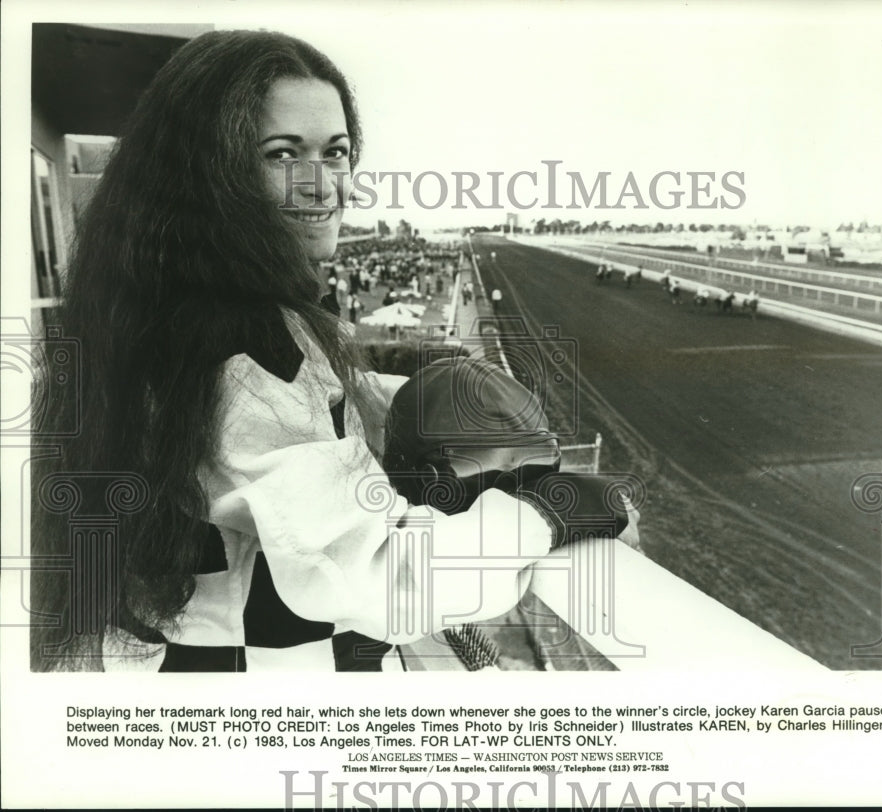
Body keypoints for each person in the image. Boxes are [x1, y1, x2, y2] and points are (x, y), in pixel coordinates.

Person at [32, 30, 635, 673]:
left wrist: (390, 392)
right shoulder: (242, 341)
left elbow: (259, 432)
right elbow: (379, 578)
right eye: (282, 153)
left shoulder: (164, 306)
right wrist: (547, 513)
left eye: (336, 152)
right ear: (207, 173)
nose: (322, 185)